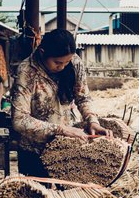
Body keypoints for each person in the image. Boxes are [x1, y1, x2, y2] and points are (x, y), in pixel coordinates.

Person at [11, 29, 112, 177]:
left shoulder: (75, 62)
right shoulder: (26, 72)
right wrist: (61, 130)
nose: (63, 67)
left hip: (66, 147)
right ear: (42, 52)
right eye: (57, 62)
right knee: (37, 195)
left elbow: (82, 97)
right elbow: (19, 120)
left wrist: (92, 120)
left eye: (66, 62)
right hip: (33, 150)